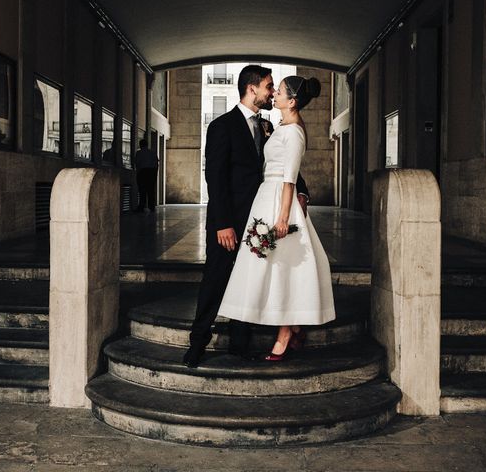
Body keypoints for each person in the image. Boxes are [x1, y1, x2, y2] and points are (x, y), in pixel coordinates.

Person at [183, 65, 310, 368]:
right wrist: (223, 223)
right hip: (229, 221)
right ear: (252, 89)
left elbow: (284, 165)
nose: (271, 92)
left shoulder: (269, 127)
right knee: (215, 279)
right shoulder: (221, 126)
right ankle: (197, 343)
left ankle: (240, 344)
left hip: (260, 219)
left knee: (247, 282)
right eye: (268, 86)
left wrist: (302, 192)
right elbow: (215, 179)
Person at [217, 75, 335, 361]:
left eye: (278, 91)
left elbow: (289, 179)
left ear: (291, 101)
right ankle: (291, 325)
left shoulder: (294, 131)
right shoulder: (281, 127)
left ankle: (285, 332)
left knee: (284, 268)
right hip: (265, 197)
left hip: (279, 202)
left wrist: (283, 217)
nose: (274, 95)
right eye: (274, 89)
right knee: (270, 265)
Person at [134, 138, 159, 212]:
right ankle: (151, 206)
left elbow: (137, 163)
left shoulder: (139, 153)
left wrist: (138, 173)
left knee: (142, 191)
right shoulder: (153, 153)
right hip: (151, 172)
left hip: (142, 172)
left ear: (140, 145)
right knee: (151, 190)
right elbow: (156, 164)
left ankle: (142, 206)